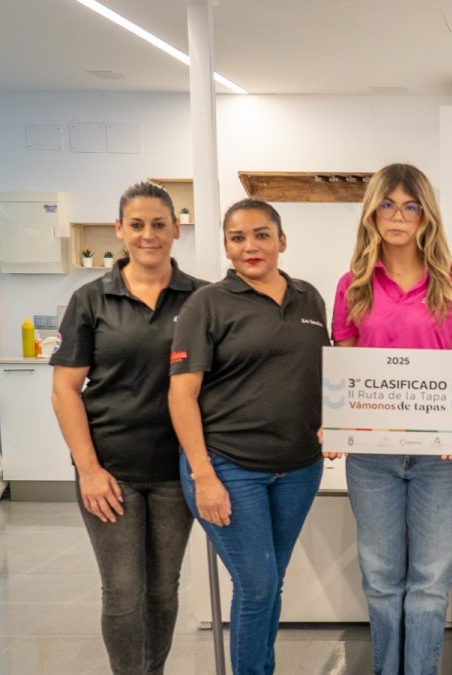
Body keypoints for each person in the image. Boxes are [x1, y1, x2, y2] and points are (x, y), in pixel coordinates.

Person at [330, 163, 452, 675]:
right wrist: (335, 424)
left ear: (426, 214)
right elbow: (346, 373)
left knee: (430, 583)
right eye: (388, 204)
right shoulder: (352, 285)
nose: (398, 216)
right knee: (380, 579)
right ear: (373, 211)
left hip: (440, 456)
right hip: (372, 458)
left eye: (410, 205)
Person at [168, 199, 329, 675]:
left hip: (299, 467)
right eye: (238, 237)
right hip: (228, 466)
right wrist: (203, 475)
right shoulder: (207, 304)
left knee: (270, 582)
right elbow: (182, 396)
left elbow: (325, 374)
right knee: (257, 586)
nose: (250, 246)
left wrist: (333, 420)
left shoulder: (309, 298)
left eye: (262, 234)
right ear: (226, 246)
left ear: (282, 240)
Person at [50, 181, 205, 675]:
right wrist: (88, 469)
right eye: (136, 225)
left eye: (159, 224)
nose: (148, 235)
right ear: (119, 230)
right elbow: (64, 391)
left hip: (174, 470)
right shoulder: (91, 300)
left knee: (163, 589)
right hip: (109, 469)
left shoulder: (202, 299)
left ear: (176, 229)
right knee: (122, 590)